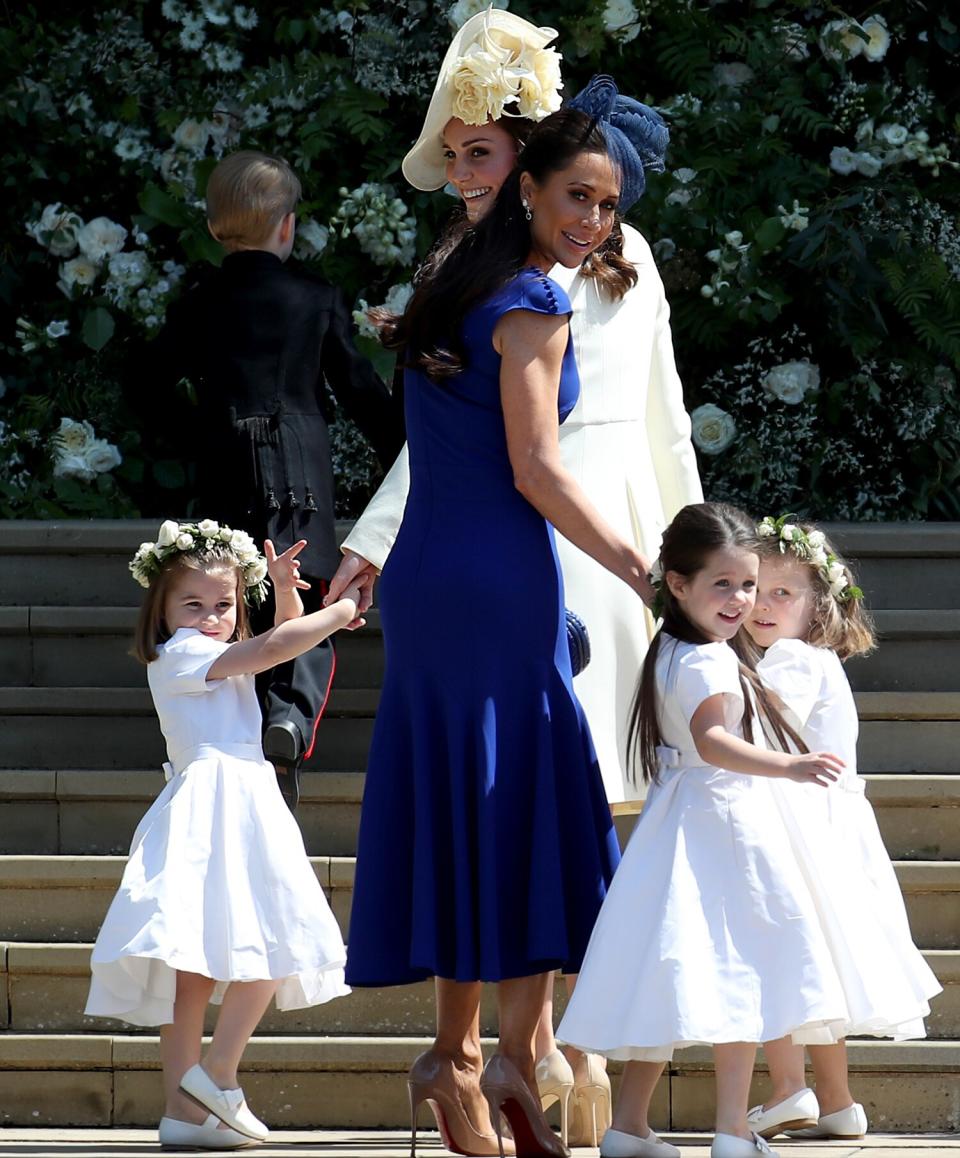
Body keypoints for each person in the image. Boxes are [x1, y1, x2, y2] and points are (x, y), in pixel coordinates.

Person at [327, 11, 702, 1142]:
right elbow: (535, 464)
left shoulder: (456, 275)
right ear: (539, 186)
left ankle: (478, 1058)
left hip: (459, 564)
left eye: (607, 203)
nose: (592, 219)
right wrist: (655, 574)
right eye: (576, 197)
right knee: (529, 801)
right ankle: (509, 1062)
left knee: (473, 798)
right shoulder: (531, 293)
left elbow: (653, 427)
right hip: (521, 558)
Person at [556, 502, 871, 1158]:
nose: (740, 600)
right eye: (722, 584)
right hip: (726, 819)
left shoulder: (673, 644)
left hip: (680, 820)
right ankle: (730, 1129)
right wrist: (792, 763)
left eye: (749, 584)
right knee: (741, 975)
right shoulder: (711, 660)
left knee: (670, 972)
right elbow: (714, 741)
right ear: (677, 583)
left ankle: (630, 1126)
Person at [84, 519, 364, 1150]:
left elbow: (275, 643)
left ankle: (187, 1108)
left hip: (239, 794)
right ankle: (215, 1078)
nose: (210, 616)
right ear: (162, 609)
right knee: (251, 945)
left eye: (224, 604)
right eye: (193, 603)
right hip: (217, 798)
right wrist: (340, 609)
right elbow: (272, 650)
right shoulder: (181, 655)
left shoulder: (212, 653)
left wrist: (289, 593)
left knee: (220, 956)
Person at [148, 150, 405, 809]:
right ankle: (290, 714)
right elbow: (360, 393)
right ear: (287, 227)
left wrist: (194, 433)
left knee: (235, 614)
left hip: (227, 475)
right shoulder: (315, 300)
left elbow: (142, 384)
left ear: (214, 230)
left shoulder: (200, 302)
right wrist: (410, 456)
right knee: (306, 599)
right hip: (299, 482)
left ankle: (255, 733)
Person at [738, 516, 941, 1142]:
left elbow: (756, 728)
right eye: (755, 589)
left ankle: (787, 1088)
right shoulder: (809, 658)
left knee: (775, 953)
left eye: (783, 593)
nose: (765, 606)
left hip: (795, 825)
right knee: (814, 966)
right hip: (824, 827)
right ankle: (837, 1101)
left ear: (817, 605)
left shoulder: (794, 660)